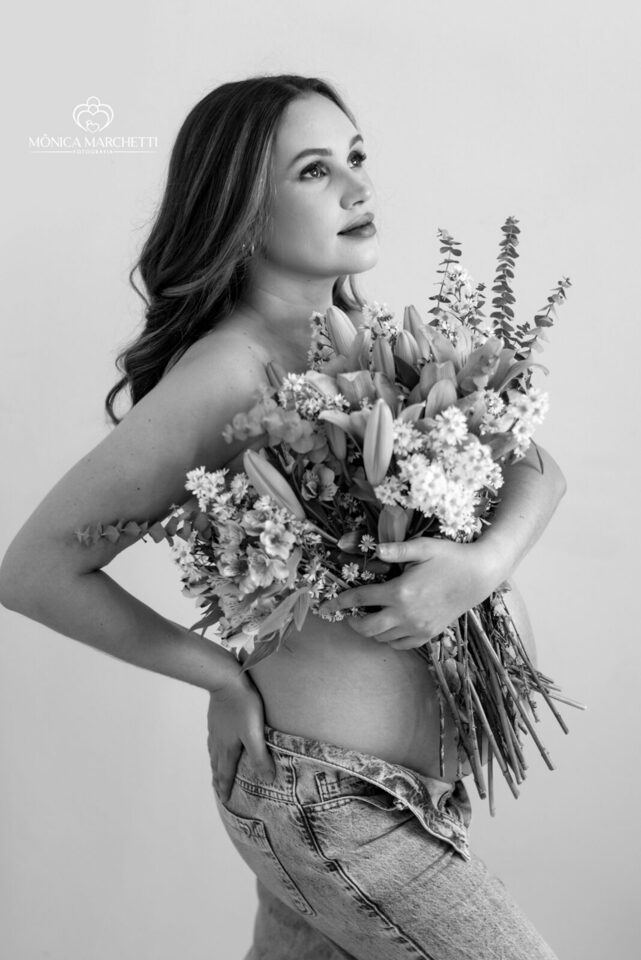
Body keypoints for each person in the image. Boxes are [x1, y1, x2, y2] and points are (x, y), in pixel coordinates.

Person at [0, 75, 565, 959]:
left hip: (399, 800)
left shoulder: (368, 338)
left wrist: (478, 567)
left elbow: (536, 465)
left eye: (356, 157)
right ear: (242, 212)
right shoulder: (228, 372)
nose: (357, 185)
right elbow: (35, 570)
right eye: (314, 170)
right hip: (330, 802)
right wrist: (220, 678)